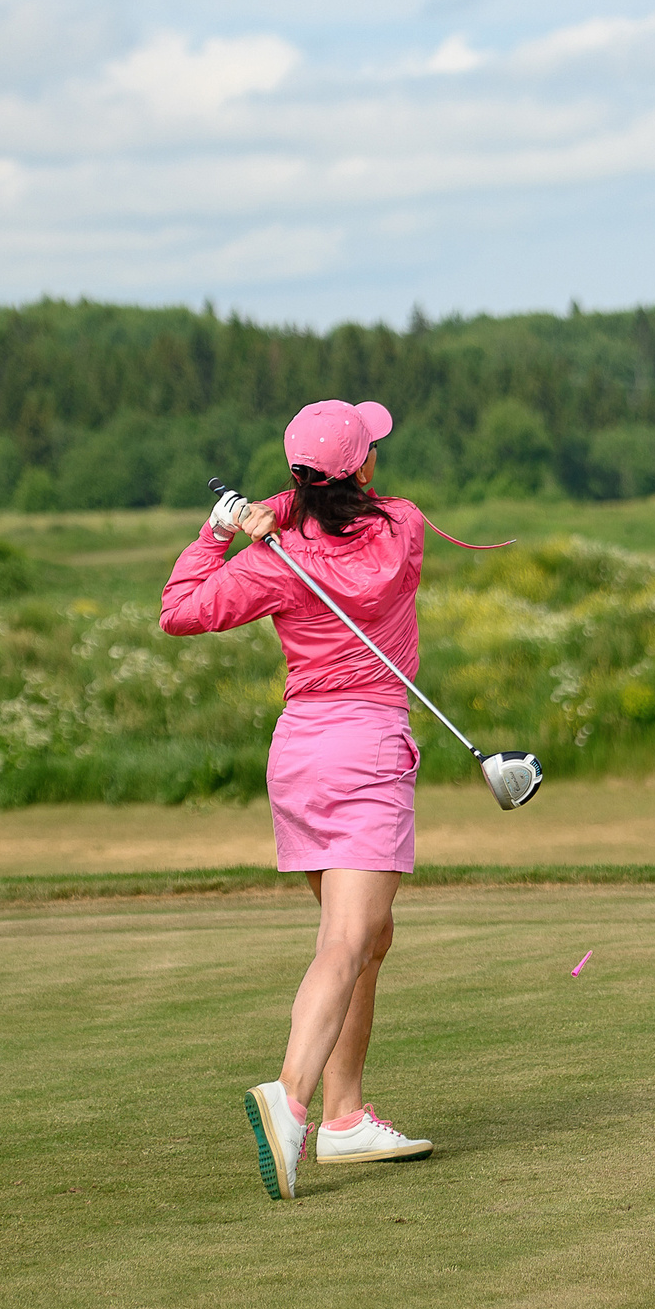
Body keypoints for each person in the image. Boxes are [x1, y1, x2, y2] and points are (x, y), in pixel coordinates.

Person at [159, 398, 436, 1200]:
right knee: (348, 940)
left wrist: (222, 529)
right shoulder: (403, 528)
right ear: (365, 466)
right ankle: (293, 1097)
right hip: (368, 749)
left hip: (301, 755)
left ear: (296, 476)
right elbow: (351, 508)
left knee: (367, 936)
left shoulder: (275, 559)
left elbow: (179, 611)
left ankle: (347, 1120)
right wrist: (281, 514)